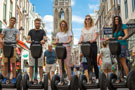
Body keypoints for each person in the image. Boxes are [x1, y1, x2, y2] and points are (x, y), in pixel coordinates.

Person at [78, 15, 99, 84]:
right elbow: (81, 37)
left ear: (91, 20)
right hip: (86, 46)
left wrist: (93, 39)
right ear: (85, 20)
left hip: (93, 45)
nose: (87, 20)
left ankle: (97, 78)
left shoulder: (94, 27)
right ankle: (90, 79)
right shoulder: (83, 29)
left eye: (89, 19)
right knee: (89, 63)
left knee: (94, 62)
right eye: (86, 19)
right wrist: (80, 41)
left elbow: (96, 34)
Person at [26, 18, 47, 84]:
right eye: (36, 23)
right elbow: (28, 38)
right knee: (31, 65)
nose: (37, 24)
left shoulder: (42, 31)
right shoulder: (31, 31)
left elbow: (45, 38)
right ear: (34, 23)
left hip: (39, 50)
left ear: (40, 24)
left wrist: (44, 40)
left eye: (38, 23)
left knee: (40, 66)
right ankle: (32, 79)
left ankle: (40, 80)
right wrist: (28, 40)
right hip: (32, 49)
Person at [0, 17, 19, 84]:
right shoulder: (5, 29)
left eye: (14, 21)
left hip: (13, 47)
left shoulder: (16, 30)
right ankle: (5, 78)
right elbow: (1, 37)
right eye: (11, 20)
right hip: (6, 47)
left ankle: (14, 78)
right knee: (5, 63)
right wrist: (1, 41)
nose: (12, 21)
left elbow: (17, 37)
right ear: (9, 21)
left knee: (13, 63)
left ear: (15, 22)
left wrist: (16, 40)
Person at [54, 20, 72, 85]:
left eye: (64, 24)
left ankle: (69, 79)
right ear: (60, 25)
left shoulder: (68, 32)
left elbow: (70, 39)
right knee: (61, 66)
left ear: (66, 25)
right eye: (62, 24)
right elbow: (56, 40)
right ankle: (61, 80)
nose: (63, 25)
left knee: (67, 65)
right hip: (60, 49)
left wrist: (66, 42)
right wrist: (55, 42)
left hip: (66, 48)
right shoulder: (58, 34)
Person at [112, 16, 129, 83]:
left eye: (117, 19)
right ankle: (120, 78)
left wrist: (122, 37)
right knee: (118, 63)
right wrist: (109, 39)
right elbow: (114, 38)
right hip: (116, 46)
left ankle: (128, 78)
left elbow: (127, 35)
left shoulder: (123, 26)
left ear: (119, 20)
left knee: (123, 62)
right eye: (115, 19)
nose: (116, 20)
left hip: (122, 45)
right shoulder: (114, 28)